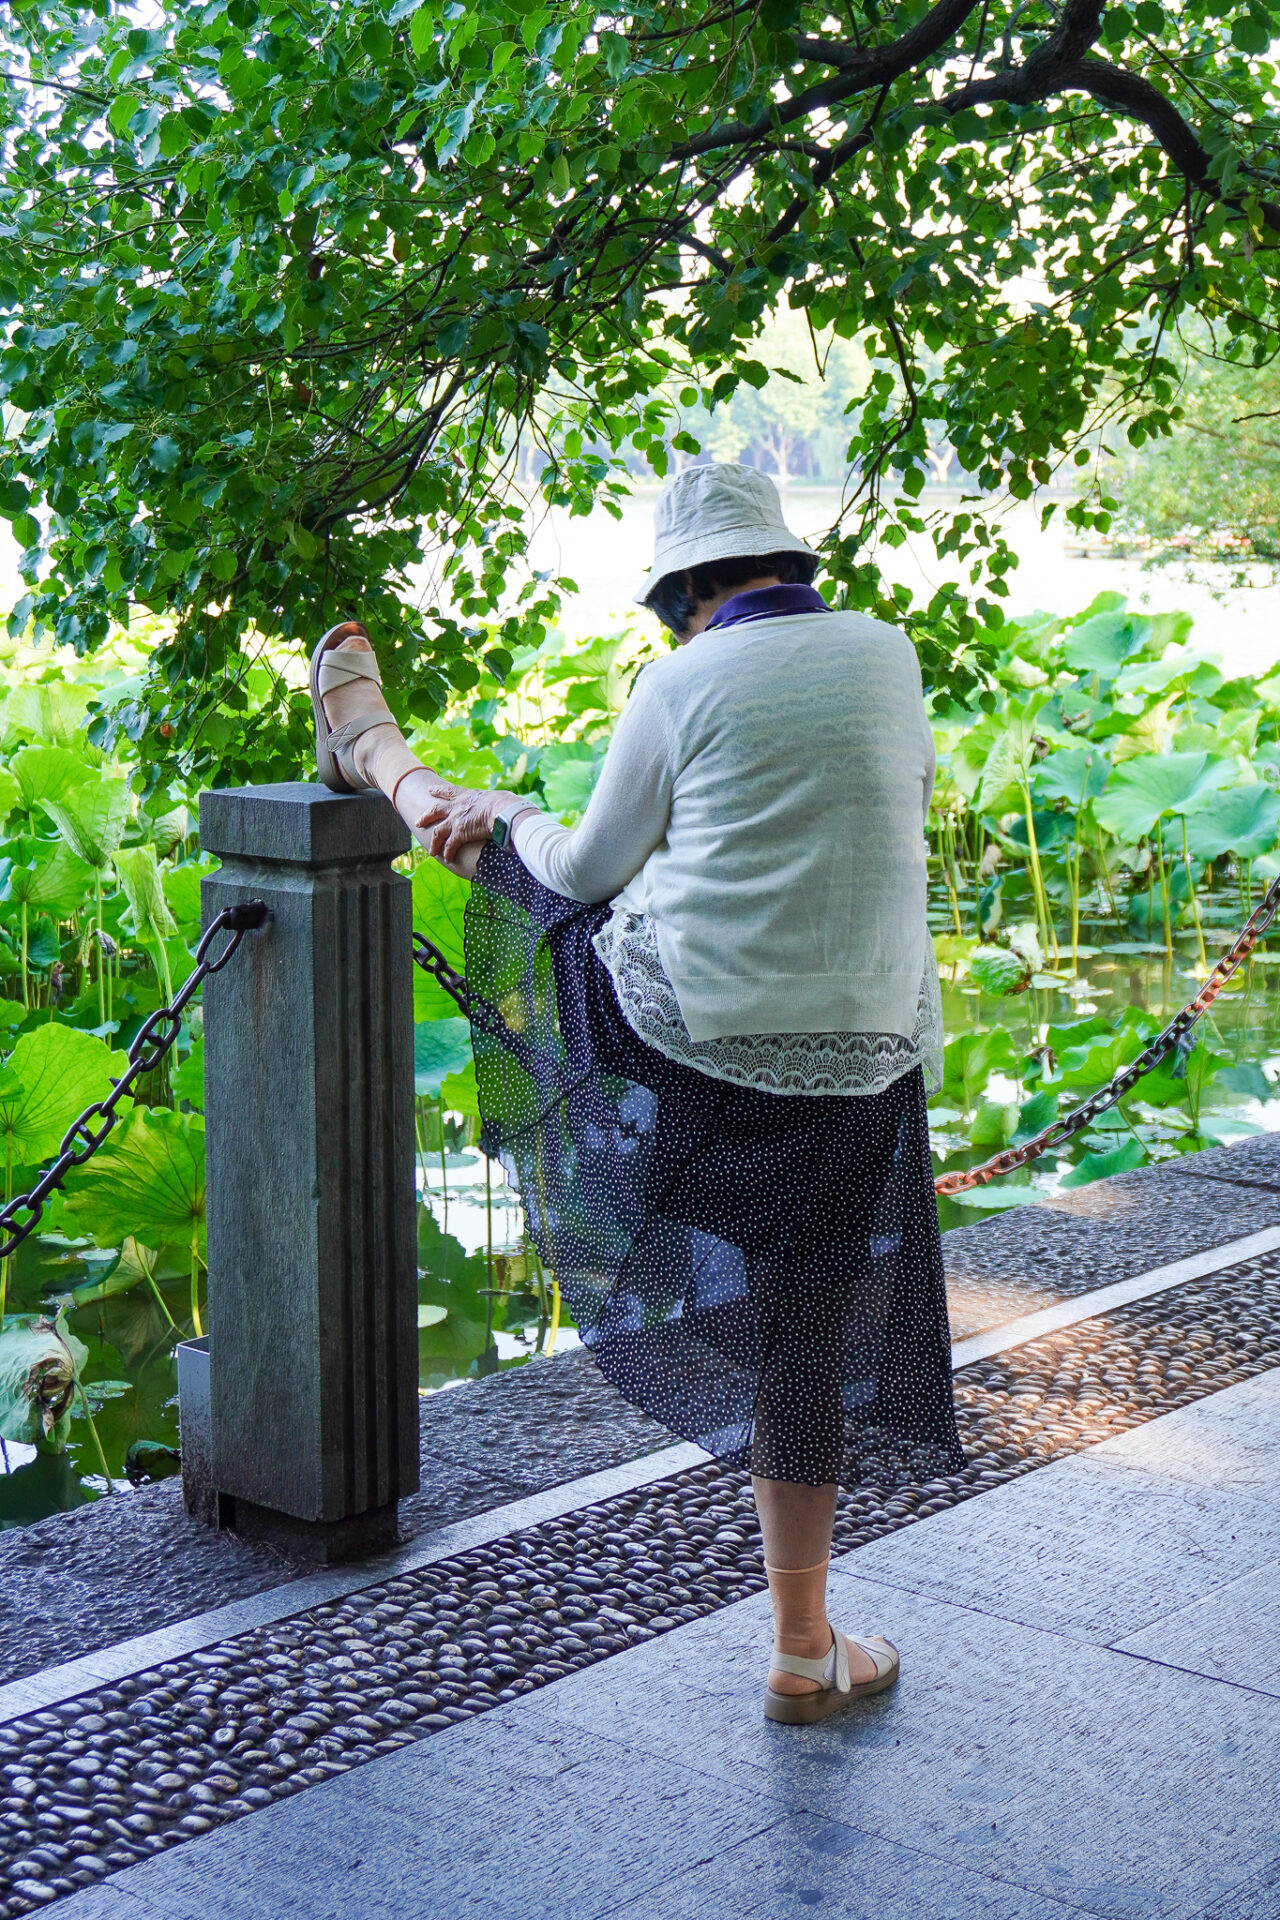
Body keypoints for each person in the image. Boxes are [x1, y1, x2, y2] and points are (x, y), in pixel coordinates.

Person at [311, 463, 962, 1727]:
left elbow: (595, 865)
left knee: (548, 888)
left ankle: (380, 761)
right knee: (803, 1335)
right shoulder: (886, 654)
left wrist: (505, 815)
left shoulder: (678, 680)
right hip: (864, 1059)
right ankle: (800, 1645)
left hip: (700, 1051)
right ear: (786, 568)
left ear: (679, 596)